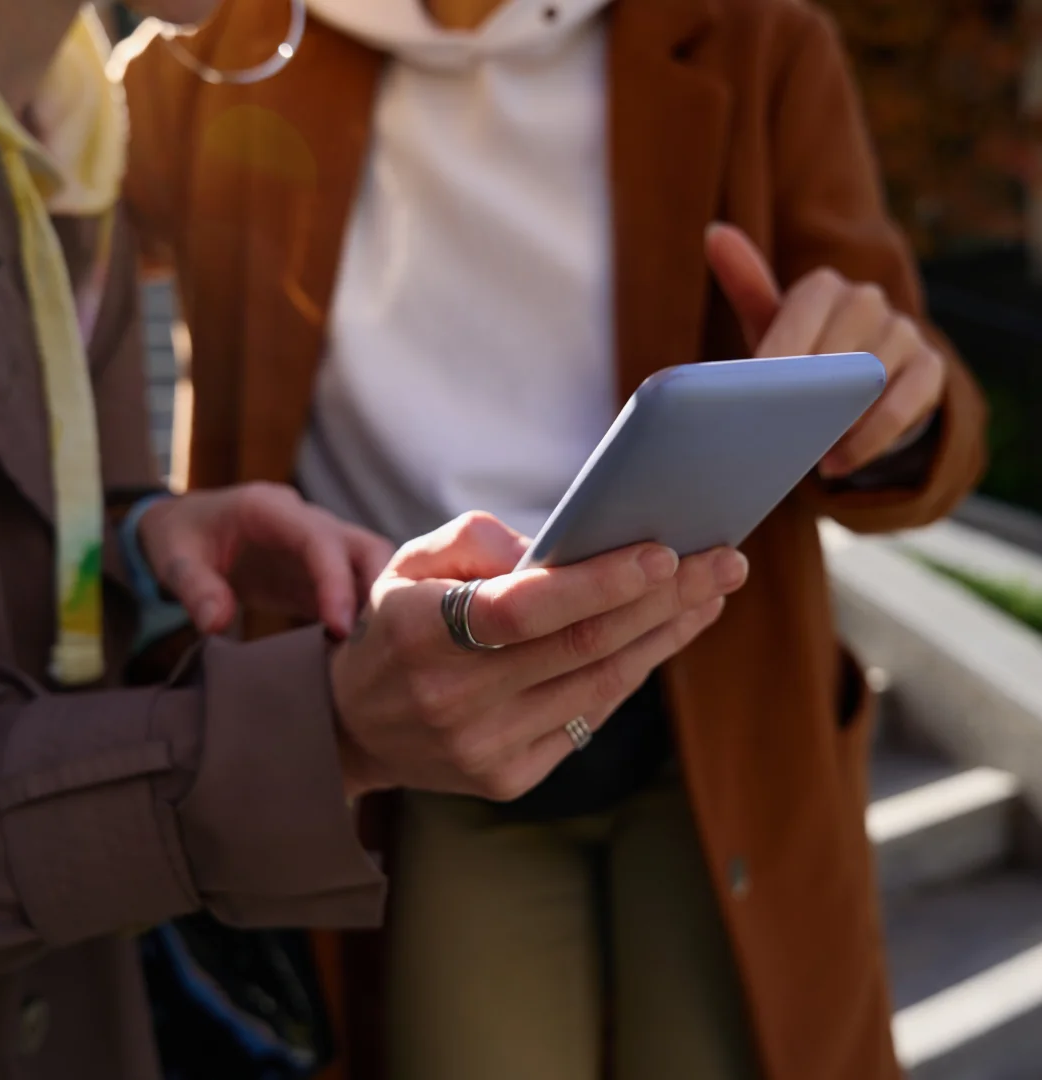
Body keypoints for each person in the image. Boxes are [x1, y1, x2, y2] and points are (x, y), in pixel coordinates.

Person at [119, 1, 989, 1078]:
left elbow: (915, 396)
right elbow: (47, 220)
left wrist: (888, 406)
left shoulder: (753, 37)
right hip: (426, 728)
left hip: (707, 710)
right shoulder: (220, 55)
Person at [0, 2, 747, 1078]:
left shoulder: (73, 112)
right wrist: (325, 735)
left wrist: (140, 543)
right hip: (407, 753)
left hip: (695, 721)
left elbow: (27, 515)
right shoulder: (185, 81)